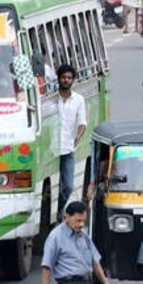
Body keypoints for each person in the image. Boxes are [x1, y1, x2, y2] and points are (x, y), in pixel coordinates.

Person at [41, 201, 114, 284]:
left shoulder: (84, 236)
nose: (81, 224)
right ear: (66, 217)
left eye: (84, 221)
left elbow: (95, 263)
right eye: (78, 220)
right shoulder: (55, 237)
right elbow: (47, 267)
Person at [57, 64, 86, 219]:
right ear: (59, 78)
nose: (66, 80)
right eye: (63, 77)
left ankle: (60, 210)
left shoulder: (78, 100)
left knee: (68, 186)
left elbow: (82, 123)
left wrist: (77, 137)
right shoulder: (51, 99)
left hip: (68, 148)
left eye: (69, 78)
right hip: (51, 150)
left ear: (73, 80)